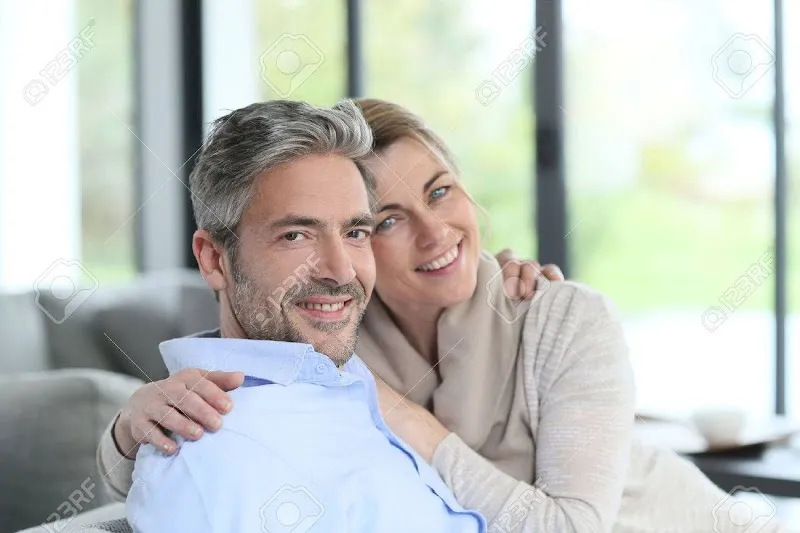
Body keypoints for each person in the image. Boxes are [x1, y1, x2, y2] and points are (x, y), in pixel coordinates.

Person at [100, 99, 788, 533]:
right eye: (392, 220)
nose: (437, 234)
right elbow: (241, 389)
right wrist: (130, 430)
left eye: (442, 191)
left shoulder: (559, 316)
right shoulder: (334, 331)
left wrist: (406, 416)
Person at [125, 99, 486, 532]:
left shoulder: (340, 379)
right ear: (214, 259)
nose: (341, 271)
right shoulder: (218, 455)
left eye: (355, 232)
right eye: (296, 235)